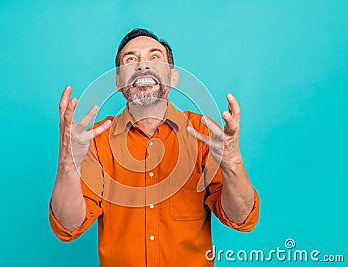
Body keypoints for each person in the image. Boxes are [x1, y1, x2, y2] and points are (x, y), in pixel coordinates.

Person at [49, 28, 260, 267]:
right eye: (130, 60)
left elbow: (241, 217)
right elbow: (68, 226)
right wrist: (67, 163)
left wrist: (232, 163)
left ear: (173, 77)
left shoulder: (204, 134)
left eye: (154, 57)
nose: (142, 66)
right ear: (119, 82)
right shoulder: (93, 139)